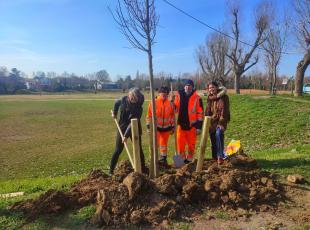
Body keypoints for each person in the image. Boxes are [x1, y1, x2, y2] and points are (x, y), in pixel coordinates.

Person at [110, 87, 146, 175]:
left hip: (134, 126)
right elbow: (116, 102)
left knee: (138, 148)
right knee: (118, 149)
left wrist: (126, 136)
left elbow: (133, 122)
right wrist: (114, 113)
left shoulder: (139, 107)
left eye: (135, 98)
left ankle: (143, 169)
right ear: (129, 95)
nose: (133, 99)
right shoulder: (123, 99)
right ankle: (111, 170)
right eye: (131, 97)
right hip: (122, 126)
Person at [174, 79, 204, 163]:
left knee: (191, 145)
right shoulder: (178, 96)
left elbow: (200, 113)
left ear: (192, 87)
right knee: (180, 145)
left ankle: (190, 161)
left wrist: (199, 127)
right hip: (180, 125)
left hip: (192, 126)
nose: (188, 87)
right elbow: (175, 109)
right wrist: (173, 104)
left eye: (190, 85)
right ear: (184, 87)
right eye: (186, 85)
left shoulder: (197, 98)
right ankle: (181, 162)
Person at [146, 86, 175, 166]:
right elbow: (149, 116)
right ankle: (152, 160)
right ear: (159, 93)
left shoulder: (170, 104)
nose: (165, 94)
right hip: (156, 128)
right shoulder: (153, 102)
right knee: (154, 144)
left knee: (163, 145)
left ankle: (163, 160)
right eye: (163, 93)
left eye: (166, 93)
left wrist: (173, 127)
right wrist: (149, 127)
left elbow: (172, 116)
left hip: (166, 128)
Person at [205, 81, 230, 164]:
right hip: (212, 121)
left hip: (220, 121)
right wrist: (206, 123)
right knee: (213, 138)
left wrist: (221, 123)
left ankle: (220, 156)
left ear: (216, 87)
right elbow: (207, 111)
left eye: (213, 87)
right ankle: (214, 157)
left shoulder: (224, 97)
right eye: (210, 88)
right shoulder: (209, 98)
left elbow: (225, 111)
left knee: (218, 135)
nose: (211, 89)